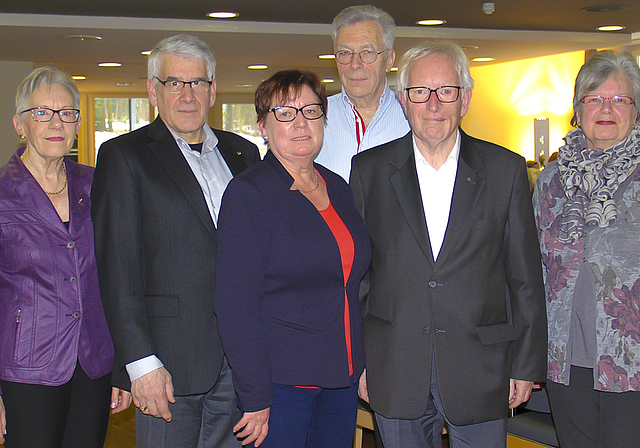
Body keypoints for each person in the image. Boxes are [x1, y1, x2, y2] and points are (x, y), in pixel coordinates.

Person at [350, 40, 547, 448]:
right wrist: (360, 362)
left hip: (482, 368)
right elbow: (358, 277)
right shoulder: (368, 170)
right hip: (395, 364)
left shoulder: (505, 169)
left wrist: (525, 366)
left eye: (447, 91)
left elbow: (524, 278)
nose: (434, 104)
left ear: (466, 99)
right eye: (420, 92)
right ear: (404, 100)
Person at [91, 34, 259, 448]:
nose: (187, 94)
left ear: (213, 89)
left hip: (239, 360)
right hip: (168, 364)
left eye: (197, 82)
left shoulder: (244, 154)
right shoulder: (125, 156)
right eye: (174, 83)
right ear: (152, 90)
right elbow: (117, 270)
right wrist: (139, 363)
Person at [214, 70, 372, 448]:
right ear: (263, 126)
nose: (300, 123)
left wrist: (363, 364)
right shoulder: (249, 193)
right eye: (285, 112)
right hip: (281, 386)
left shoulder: (338, 186)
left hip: (341, 376)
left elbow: (353, 286)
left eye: (311, 111)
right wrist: (254, 397)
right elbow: (235, 304)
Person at [0, 66, 130, 448]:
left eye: (67, 113)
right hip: (26, 368)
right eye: (42, 112)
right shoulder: (3, 195)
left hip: (94, 362)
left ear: (77, 123)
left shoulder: (99, 184)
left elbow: (119, 276)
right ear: (19, 124)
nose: (56, 123)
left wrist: (122, 366)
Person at [533, 50, 640, 448]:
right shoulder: (551, 181)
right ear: (577, 110)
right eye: (594, 99)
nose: (606, 108)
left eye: (619, 99)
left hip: (633, 361)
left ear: (635, 110)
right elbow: (534, 269)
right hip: (565, 360)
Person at [315, 5, 410, 180]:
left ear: (389, 60)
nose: (355, 64)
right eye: (345, 53)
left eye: (367, 52)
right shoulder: (314, 118)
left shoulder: (412, 118)